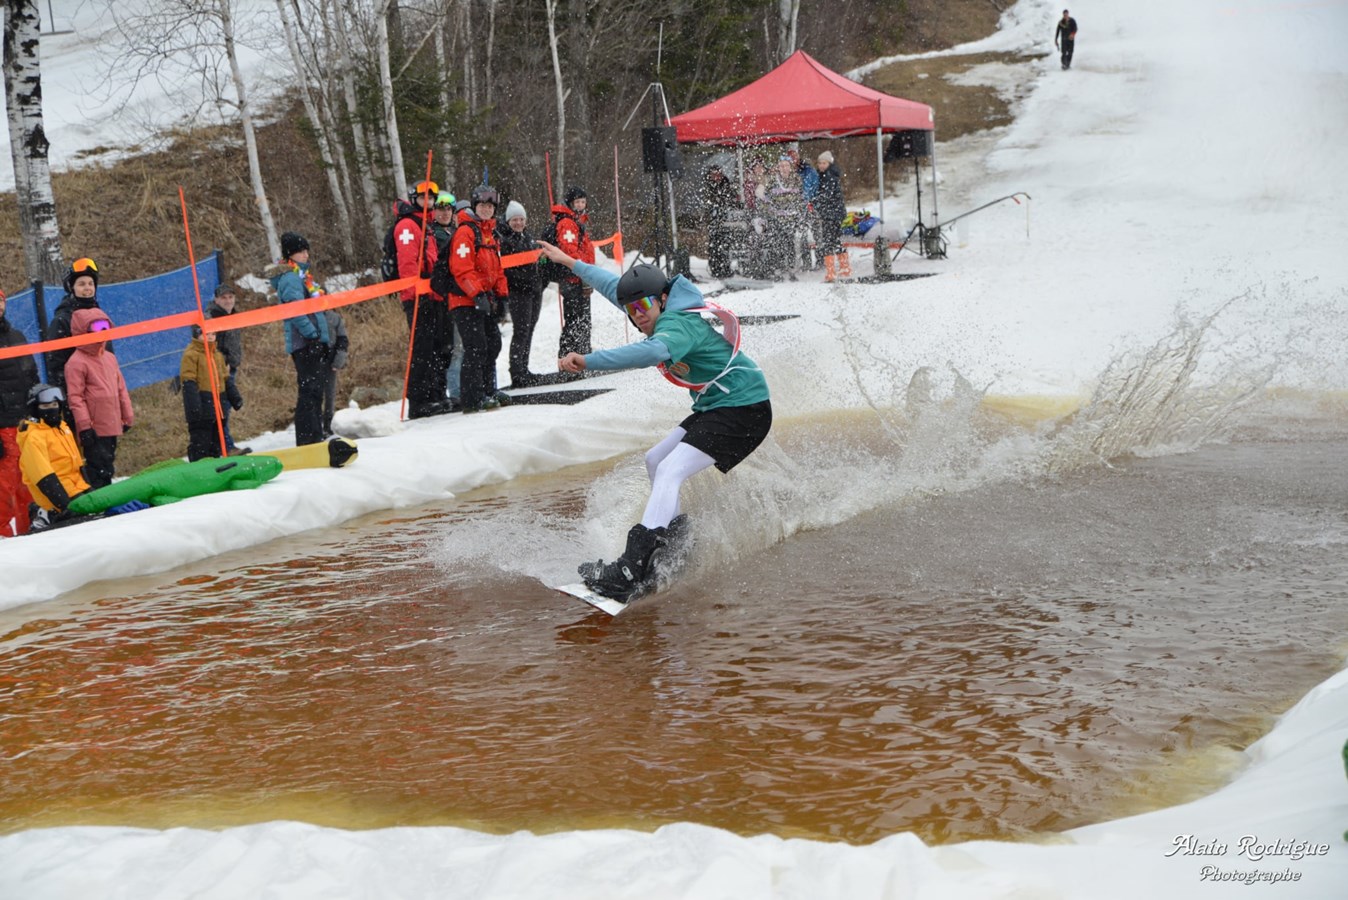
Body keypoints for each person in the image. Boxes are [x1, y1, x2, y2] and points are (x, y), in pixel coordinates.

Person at [537, 243, 773, 603]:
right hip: (718, 405)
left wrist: (588, 360)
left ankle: (631, 566)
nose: (638, 316)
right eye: (631, 310)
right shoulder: (656, 307)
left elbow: (652, 352)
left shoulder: (677, 325)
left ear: (662, 299)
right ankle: (675, 544)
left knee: (669, 471)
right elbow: (613, 287)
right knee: (656, 460)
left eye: (643, 306)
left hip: (745, 408)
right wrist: (570, 261)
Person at [435, 184, 510, 413]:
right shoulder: (466, 232)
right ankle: (472, 397)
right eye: (482, 205)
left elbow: (497, 269)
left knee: (493, 344)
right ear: (475, 206)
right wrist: (477, 294)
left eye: (490, 206)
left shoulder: (489, 233)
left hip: (484, 298)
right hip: (464, 300)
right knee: (475, 347)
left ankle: (488, 389)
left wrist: (502, 296)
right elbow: (462, 269)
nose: (486, 209)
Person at [266, 231, 333, 446]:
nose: (306, 255)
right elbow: (295, 312)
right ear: (290, 255)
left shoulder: (303, 277)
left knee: (315, 390)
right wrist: (312, 336)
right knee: (309, 391)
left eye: (306, 251)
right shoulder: (291, 278)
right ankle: (307, 438)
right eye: (301, 251)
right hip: (304, 343)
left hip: (312, 340)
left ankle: (315, 434)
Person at [396, 180, 453, 419]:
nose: (428, 202)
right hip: (418, 297)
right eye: (423, 198)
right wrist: (417, 294)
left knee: (437, 347)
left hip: (433, 294)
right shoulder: (408, 225)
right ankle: (418, 401)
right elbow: (408, 264)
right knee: (421, 350)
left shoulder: (426, 224)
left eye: (431, 198)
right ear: (415, 199)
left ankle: (436, 394)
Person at [63, 308, 134, 489]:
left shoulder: (109, 358)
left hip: (112, 421)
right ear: (83, 330)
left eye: (105, 326)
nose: (102, 331)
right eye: (96, 327)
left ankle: (106, 495)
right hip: (94, 427)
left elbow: (121, 388)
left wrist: (127, 416)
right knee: (98, 467)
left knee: (108, 464)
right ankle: (99, 498)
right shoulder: (76, 362)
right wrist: (85, 426)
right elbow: (76, 397)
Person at [17, 384, 91, 532]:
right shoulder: (34, 438)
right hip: (57, 497)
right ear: (36, 409)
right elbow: (43, 477)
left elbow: (77, 464)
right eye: (45, 406)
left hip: (78, 489)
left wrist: (88, 488)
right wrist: (65, 505)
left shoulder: (62, 428)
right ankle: (46, 514)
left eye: (54, 405)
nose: (51, 410)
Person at [0, 289, 39, 536]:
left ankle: (27, 533)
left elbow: (31, 374)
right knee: (5, 483)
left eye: (0, 301)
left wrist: (37, 408)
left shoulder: (16, 336)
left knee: (29, 479)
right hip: (2, 424)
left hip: (24, 421)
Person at [496, 199, 545, 387]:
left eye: (521, 219)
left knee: (530, 328)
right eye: (515, 220)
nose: (518, 223)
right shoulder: (505, 241)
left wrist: (540, 277)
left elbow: (536, 262)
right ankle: (516, 372)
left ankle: (524, 368)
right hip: (519, 292)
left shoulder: (528, 238)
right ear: (508, 221)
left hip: (534, 290)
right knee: (521, 331)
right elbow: (507, 270)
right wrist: (526, 280)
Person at [44, 258, 109, 393]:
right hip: (79, 392)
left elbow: (108, 354)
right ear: (71, 288)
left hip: (104, 389)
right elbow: (55, 364)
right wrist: (69, 395)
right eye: (81, 284)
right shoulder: (62, 320)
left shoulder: (100, 316)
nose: (87, 288)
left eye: (91, 283)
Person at [545, 186, 595, 358]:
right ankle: (569, 357)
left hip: (580, 277)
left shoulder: (577, 221)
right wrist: (583, 270)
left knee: (583, 321)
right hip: (573, 279)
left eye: (583, 202)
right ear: (570, 203)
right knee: (575, 321)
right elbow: (569, 251)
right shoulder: (567, 223)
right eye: (577, 202)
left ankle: (582, 355)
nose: (580, 205)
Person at [179, 325, 240, 461]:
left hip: (218, 405)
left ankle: (215, 462)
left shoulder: (217, 355)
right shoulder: (191, 355)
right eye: (206, 334)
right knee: (201, 440)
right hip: (202, 404)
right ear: (198, 336)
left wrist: (234, 396)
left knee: (216, 441)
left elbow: (225, 378)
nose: (211, 337)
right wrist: (194, 405)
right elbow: (188, 381)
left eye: (213, 334)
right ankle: (199, 465)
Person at [429, 190, 466, 411]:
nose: (444, 213)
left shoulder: (455, 231)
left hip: (459, 295)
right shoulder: (433, 234)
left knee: (460, 345)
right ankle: (454, 391)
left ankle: (460, 388)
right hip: (442, 298)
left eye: (448, 210)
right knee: (451, 348)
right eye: (440, 209)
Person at [206, 283, 250, 455]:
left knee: (225, 407)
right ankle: (226, 446)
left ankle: (222, 445)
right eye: (223, 297)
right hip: (219, 369)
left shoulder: (232, 315)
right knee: (221, 408)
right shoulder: (212, 316)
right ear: (216, 300)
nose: (228, 301)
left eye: (230, 297)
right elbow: (209, 344)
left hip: (230, 366)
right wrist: (222, 361)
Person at [761, 155, 806, 278]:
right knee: (778, 244)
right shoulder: (773, 181)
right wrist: (769, 213)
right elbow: (766, 199)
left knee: (791, 244)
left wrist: (800, 215)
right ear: (778, 168)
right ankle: (778, 270)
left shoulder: (797, 180)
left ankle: (791, 270)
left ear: (790, 167)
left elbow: (801, 198)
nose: (784, 168)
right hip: (777, 219)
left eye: (786, 165)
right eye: (781, 166)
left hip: (792, 218)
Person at [813, 150, 851, 282]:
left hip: (833, 214)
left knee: (828, 241)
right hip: (831, 213)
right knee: (835, 240)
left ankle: (831, 272)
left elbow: (826, 196)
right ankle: (844, 268)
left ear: (829, 163)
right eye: (819, 163)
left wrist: (813, 201)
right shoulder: (823, 176)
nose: (821, 165)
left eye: (824, 163)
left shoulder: (830, 177)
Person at [701, 165, 742, 279]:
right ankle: (715, 268)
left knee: (725, 244)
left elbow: (732, 199)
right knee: (714, 245)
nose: (717, 177)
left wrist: (731, 202)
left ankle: (725, 267)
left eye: (719, 174)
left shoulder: (726, 184)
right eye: (714, 175)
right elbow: (708, 203)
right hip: (714, 220)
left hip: (725, 219)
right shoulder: (708, 186)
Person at [321, 309, 349, 437]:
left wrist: (338, 360)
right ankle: (316, 425)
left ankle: (328, 425)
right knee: (315, 394)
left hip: (330, 359)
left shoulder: (334, 317)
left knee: (329, 394)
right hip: (313, 359)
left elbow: (342, 339)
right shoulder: (308, 316)